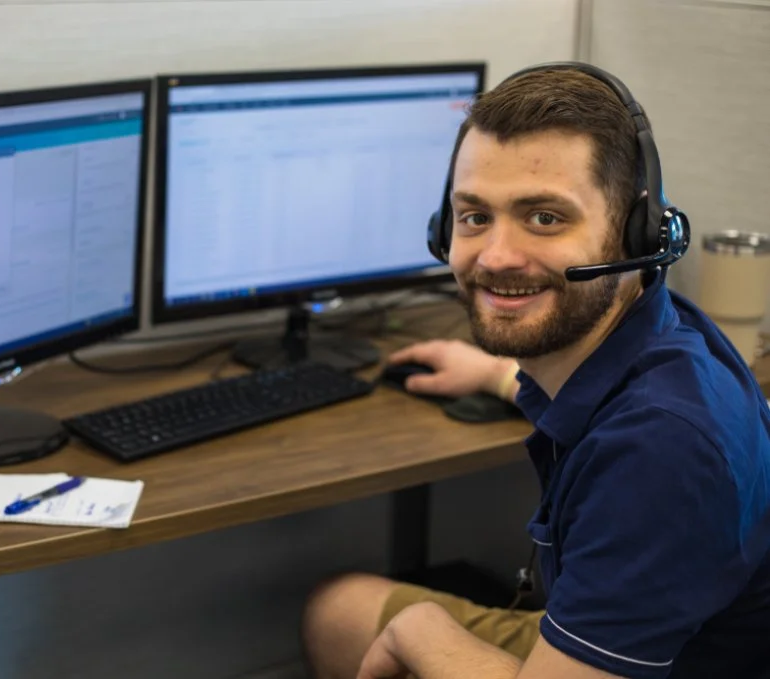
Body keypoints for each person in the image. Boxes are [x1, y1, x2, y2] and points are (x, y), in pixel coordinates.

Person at [301, 63, 770, 679]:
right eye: (474, 216)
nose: (495, 257)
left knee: (384, 621)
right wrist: (492, 375)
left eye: (545, 218)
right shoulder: (657, 334)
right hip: (665, 638)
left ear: (637, 233)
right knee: (337, 613)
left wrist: (421, 632)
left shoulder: (662, 447)